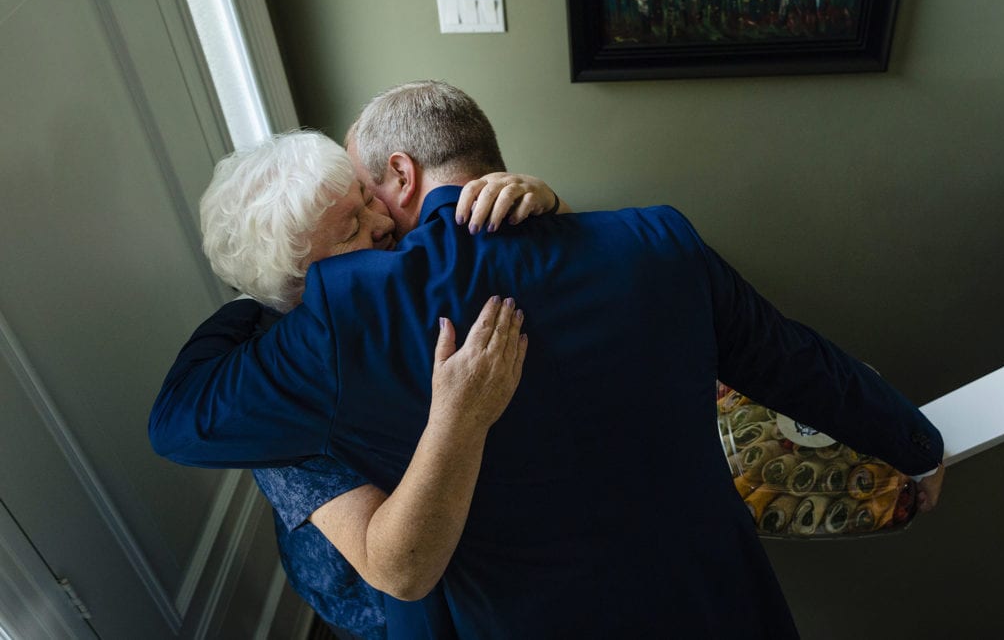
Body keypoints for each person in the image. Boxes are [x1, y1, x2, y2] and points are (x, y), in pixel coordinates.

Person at [151, 80, 944, 639]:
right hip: (716, 600)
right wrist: (913, 441)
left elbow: (177, 418)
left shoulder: (344, 316)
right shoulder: (658, 240)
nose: (375, 227)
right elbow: (792, 359)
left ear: (401, 175)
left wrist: (253, 301)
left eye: (366, 198)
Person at [184, 129, 562, 638]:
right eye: (350, 230)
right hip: (374, 602)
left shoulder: (393, 264)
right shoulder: (273, 389)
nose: (385, 223)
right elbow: (400, 571)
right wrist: (461, 416)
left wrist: (547, 202)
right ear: (300, 284)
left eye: (366, 197)